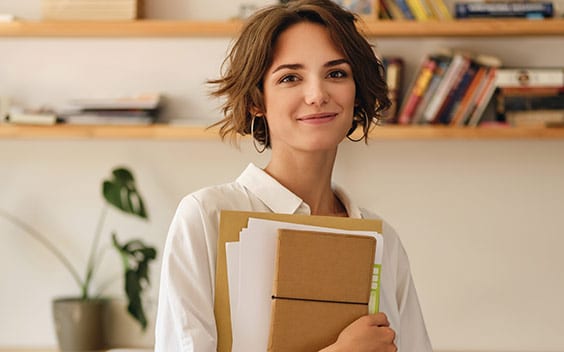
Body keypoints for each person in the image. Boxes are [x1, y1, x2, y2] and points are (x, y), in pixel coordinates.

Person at [155, 0, 432, 351]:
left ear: (357, 94)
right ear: (258, 101)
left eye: (336, 74)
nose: (317, 95)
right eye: (290, 78)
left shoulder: (383, 239)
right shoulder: (205, 217)